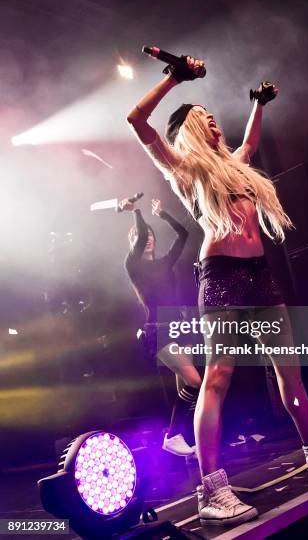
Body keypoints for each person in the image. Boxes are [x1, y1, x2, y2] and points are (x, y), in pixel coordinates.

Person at [126, 56, 308, 526]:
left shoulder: (234, 166)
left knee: (289, 371)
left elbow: (251, 143)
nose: (215, 121)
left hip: (259, 272)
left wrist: (257, 105)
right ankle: (210, 490)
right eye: (205, 117)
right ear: (192, 129)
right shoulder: (186, 170)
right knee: (217, 377)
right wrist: (174, 78)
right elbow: (137, 121)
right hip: (222, 276)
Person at [121, 195, 202, 457]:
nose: (148, 239)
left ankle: (187, 438)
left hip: (177, 329)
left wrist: (163, 214)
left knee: (185, 389)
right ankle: (172, 435)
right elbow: (142, 230)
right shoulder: (132, 265)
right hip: (156, 332)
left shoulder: (164, 262)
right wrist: (137, 212)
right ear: (134, 243)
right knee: (194, 380)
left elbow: (184, 234)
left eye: (151, 236)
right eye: (143, 237)